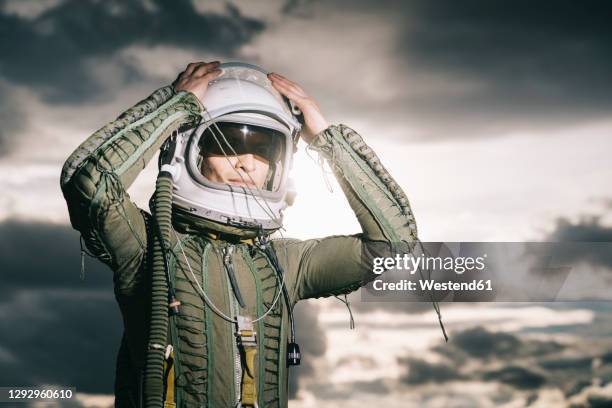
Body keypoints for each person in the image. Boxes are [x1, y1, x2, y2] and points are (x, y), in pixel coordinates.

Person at [60, 61, 418, 408]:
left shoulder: (285, 265)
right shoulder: (146, 246)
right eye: (225, 143)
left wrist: (327, 138)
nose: (246, 162)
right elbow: (91, 187)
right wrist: (172, 108)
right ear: (189, 151)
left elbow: (396, 246)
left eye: (263, 150)